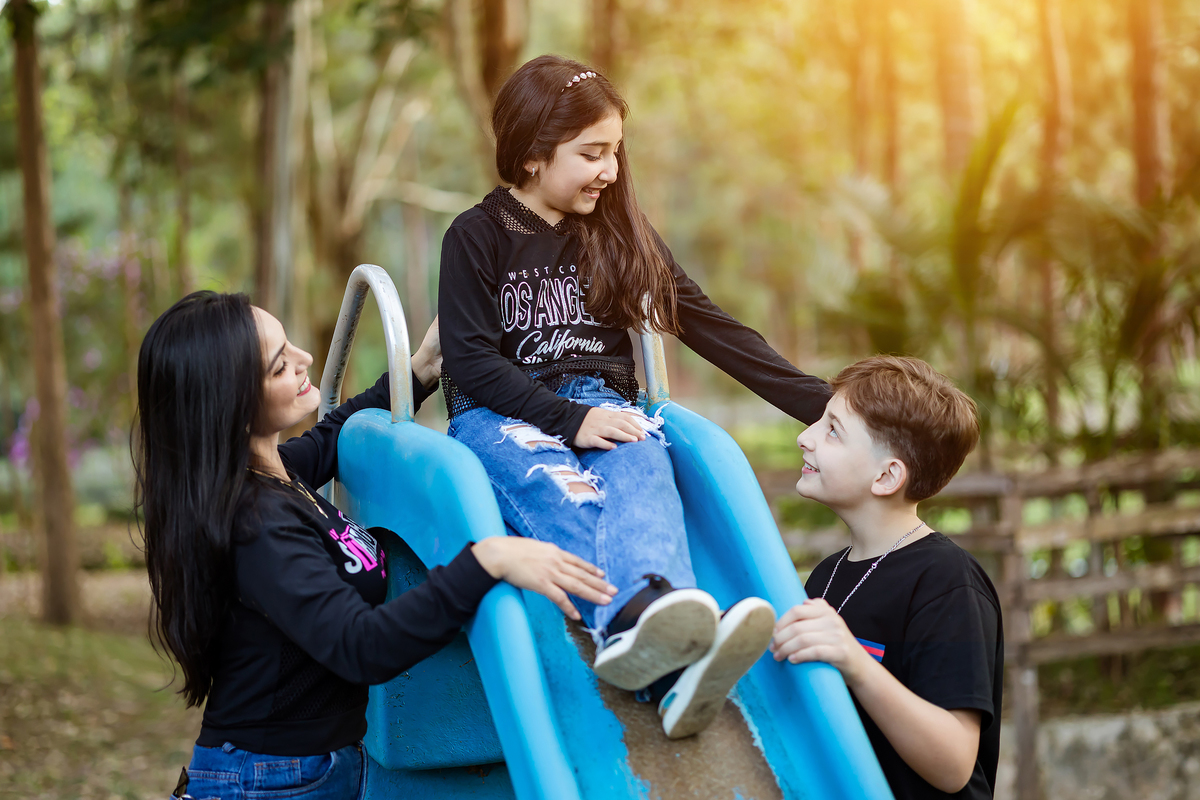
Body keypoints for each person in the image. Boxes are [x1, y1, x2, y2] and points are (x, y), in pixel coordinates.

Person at [437, 54, 832, 739]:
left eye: (616, 152)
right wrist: (568, 419)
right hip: (500, 415)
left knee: (645, 466)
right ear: (532, 154)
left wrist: (824, 405)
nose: (612, 171)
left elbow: (710, 325)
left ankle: (665, 636)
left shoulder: (617, 236)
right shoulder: (477, 236)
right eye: (592, 153)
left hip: (601, 400)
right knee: (561, 491)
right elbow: (468, 360)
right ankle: (627, 618)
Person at [136, 291, 617, 800]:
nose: (304, 360)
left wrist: (423, 367)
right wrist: (485, 561)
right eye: (280, 366)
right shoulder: (256, 524)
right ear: (229, 404)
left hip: (305, 767)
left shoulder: (274, 475)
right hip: (270, 781)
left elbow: (332, 437)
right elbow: (361, 646)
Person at [769, 356, 1003, 799]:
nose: (805, 437)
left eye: (832, 430)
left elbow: (954, 764)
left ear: (887, 475)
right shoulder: (825, 576)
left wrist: (853, 662)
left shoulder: (947, 581)